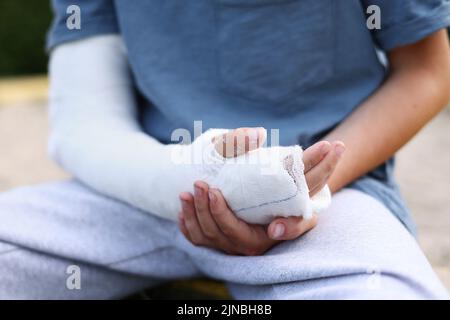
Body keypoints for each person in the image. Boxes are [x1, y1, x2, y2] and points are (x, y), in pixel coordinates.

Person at [0, 0, 449, 299]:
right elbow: (86, 121)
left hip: (322, 204)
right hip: (131, 198)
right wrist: (203, 174)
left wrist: (294, 186)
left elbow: (428, 72)